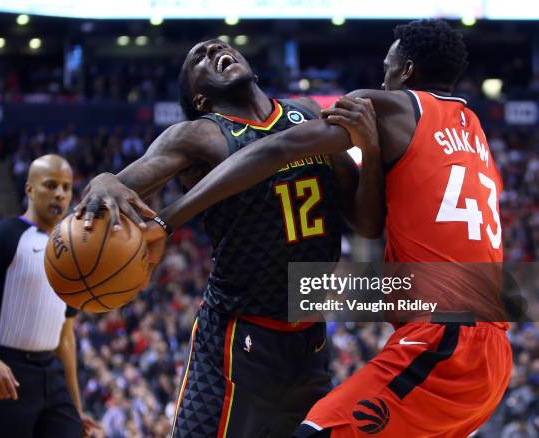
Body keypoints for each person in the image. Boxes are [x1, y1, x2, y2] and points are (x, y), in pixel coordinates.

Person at [138, 19, 511, 437]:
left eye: (387, 69)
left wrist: (167, 220)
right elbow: (380, 242)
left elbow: (280, 147)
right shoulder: (473, 129)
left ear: (405, 72)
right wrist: (369, 151)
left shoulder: (389, 106)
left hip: (445, 338)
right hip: (492, 348)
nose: (382, 81)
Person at [76, 39, 384, 437]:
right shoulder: (197, 135)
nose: (215, 50)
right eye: (198, 58)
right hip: (236, 340)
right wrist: (102, 180)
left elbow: (368, 222)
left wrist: (372, 154)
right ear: (200, 98)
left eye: (219, 47)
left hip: (309, 341)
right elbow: (122, 183)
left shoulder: (306, 113)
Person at [0, 155, 100, 438]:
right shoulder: (2, 235)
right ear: (29, 189)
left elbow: (66, 337)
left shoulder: (75, 252)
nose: (60, 194)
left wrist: (76, 407)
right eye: (50, 185)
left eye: (66, 187)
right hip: (3, 371)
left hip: (51, 377)